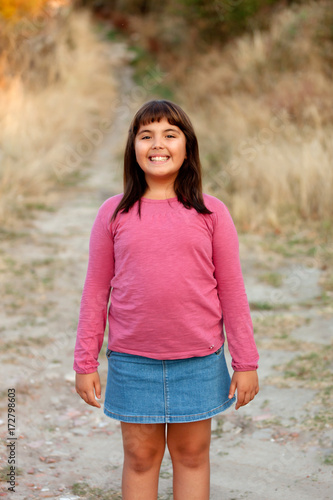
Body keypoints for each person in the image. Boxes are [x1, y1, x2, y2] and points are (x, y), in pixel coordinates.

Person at [73, 99, 259, 500]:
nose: (157, 144)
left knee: (192, 455)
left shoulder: (212, 213)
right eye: (146, 135)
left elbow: (232, 290)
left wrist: (246, 362)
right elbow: (95, 291)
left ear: (187, 147)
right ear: (134, 149)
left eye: (169, 134)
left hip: (199, 361)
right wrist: (85, 361)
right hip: (132, 362)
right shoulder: (113, 213)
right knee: (140, 457)